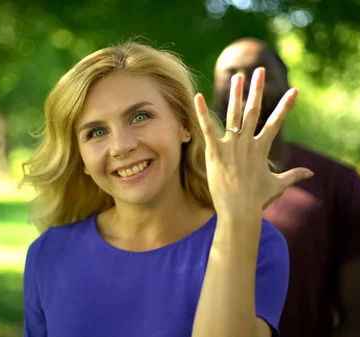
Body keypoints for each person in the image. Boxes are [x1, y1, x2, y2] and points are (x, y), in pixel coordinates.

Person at [20, 42, 314, 337]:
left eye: (140, 117)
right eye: (96, 132)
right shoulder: (48, 254)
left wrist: (237, 217)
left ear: (184, 125)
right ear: (81, 158)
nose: (122, 146)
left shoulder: (258, 241)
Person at [213, 38, 360, 337]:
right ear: (215, 91)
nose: (244, 85)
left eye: (260, 73)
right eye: (231, 74)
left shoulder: (340, 183)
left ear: (286, 86)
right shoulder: (179, 182)